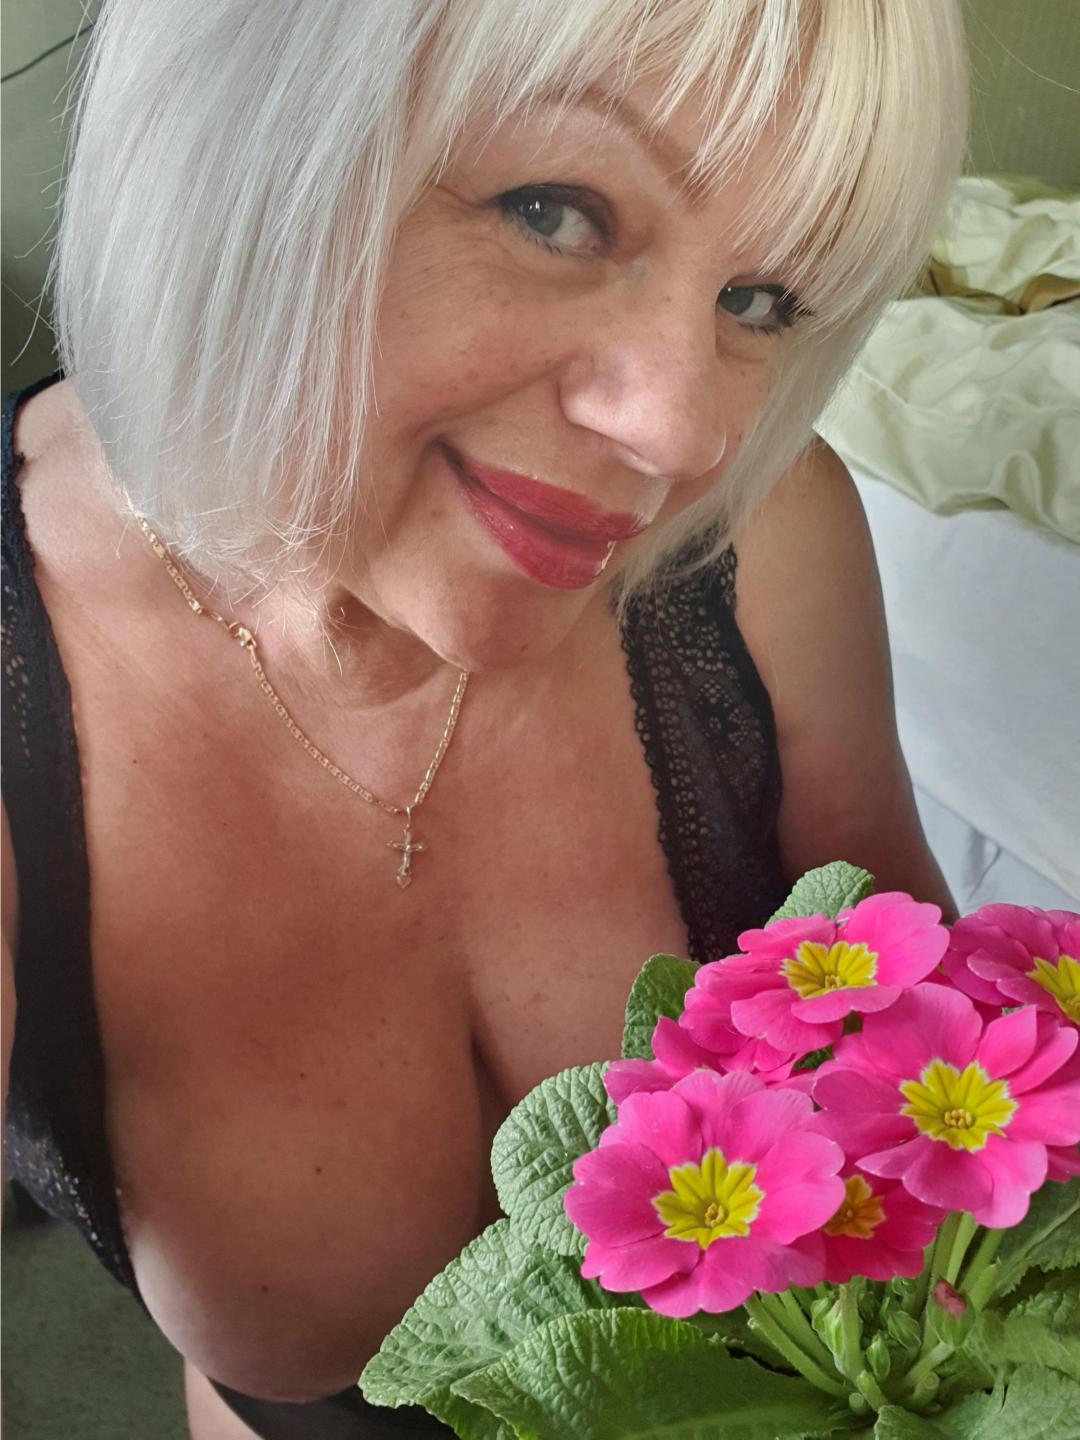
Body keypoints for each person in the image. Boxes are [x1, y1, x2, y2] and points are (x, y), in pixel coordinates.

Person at [2, 1, 968, 1435]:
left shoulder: (764, 545)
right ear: (234, 142)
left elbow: (936, 1048)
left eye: (762, 301)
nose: (686, 434)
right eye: (554, 211)